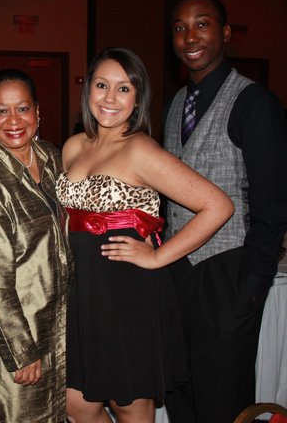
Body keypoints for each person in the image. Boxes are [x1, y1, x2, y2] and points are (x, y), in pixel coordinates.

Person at [56, 47, 234, 423]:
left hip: (128, 294)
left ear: (137, 98)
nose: (110, 97)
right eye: (102, 85)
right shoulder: (74, 146)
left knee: (128, 405)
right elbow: (65, 217)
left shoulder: (140, 150)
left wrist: (156, 256)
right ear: (88, 89)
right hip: (82, 293)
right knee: (77, 404)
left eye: (124, 89)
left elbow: (217, 206)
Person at [163, 0, 287, 421]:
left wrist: (249, 291)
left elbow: (272, 208)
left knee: (221, 404)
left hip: (228, 273)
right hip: (180, 273)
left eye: (202, 24)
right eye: (179, 27)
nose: (190, 36)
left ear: (226, 33)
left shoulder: (255, 103)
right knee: (182, 398)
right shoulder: (177, 103)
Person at [0, 69, 72, 422]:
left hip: (52, 324)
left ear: (38, 111)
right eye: (2, 111)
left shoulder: (51, 158)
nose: (14, 121)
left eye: (23, 108)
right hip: (6, 339)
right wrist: (21, 352)